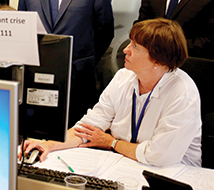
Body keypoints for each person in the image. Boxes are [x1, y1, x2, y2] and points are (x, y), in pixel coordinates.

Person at [20, 18, 201, 167]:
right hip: (126, 162)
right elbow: (90, 127)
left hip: (173, 173)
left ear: (158, 60)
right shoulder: (124, 77)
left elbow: (158, 156)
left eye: (135, 47)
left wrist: (111, 143)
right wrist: (49, 145)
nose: (125, 50)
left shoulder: (182, 92)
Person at [18, 0, 114, 125]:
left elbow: (105, 32)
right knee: (40, 133)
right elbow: (22, 31)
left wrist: (83, 61)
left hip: (78, 79)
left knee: (76, 138)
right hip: (38, 77)